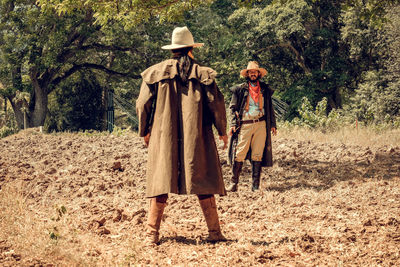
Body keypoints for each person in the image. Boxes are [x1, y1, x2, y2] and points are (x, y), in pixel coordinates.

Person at [136, 26, 228, 245]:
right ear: (191, 49)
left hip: (163, 136)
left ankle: (151, 235)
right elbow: (217, 105)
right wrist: (222, 131)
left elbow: (142, 104)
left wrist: (145, 130)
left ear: (173, 50)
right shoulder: (204, 74)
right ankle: (215, 233)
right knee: (203, 178)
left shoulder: (155, 73)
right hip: (197, 137)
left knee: (160, 180)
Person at [227, 61, 277, 192]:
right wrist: (232, 124)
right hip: (245, 124)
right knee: (239, 153)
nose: (253, 74)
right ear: (247, 74)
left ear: (259, 74)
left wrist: (272, 124)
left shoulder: (265, 89)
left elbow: (270, 108)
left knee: (257, 155)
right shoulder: (239, 89)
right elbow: (232, 108)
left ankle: (255, 186)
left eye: (255, 72)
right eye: (250, 72)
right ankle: (234, 183)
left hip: (261, 124)